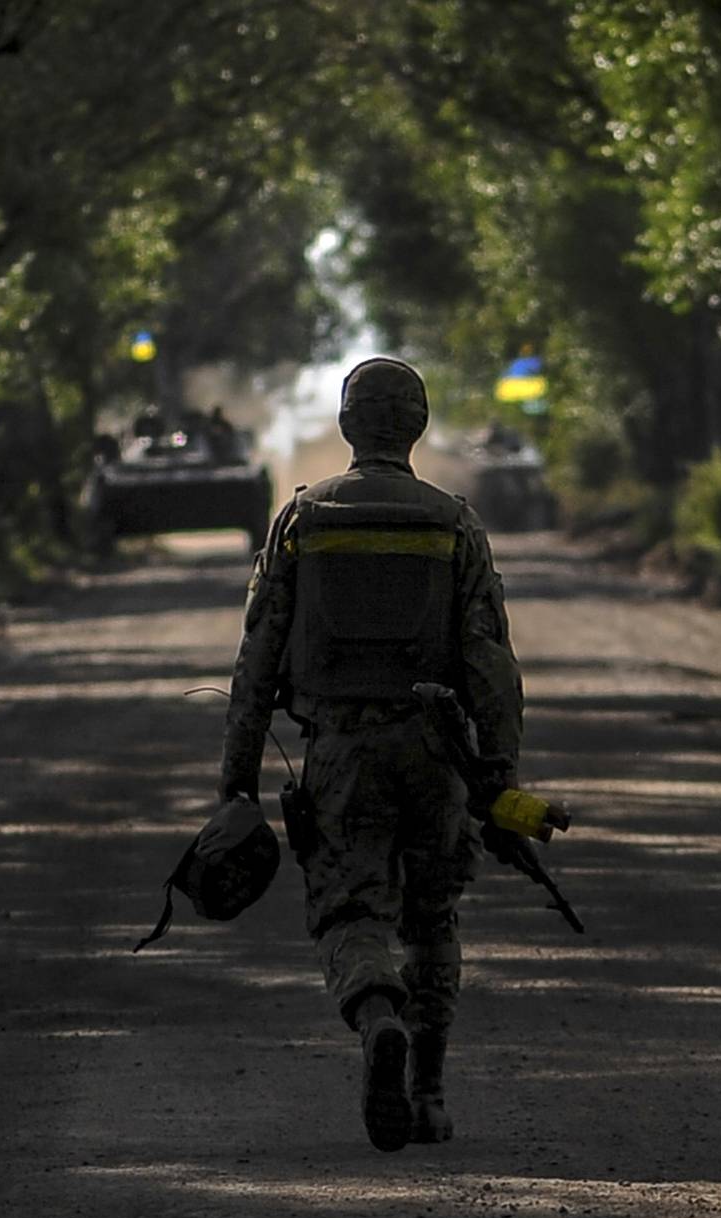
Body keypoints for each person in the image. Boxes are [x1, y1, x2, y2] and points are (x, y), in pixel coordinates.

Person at [218, 356, 524, 1152]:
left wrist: (237, 782)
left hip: (341, 756)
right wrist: (499, 774)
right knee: (433, 918)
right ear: (416, 426)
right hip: (436, 755)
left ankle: (377, 1014)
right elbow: (490, 662)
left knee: (350, 912)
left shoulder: (304, 520)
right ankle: (426, 1093)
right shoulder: (453, 522)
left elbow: (256, 661)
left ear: (351, 424)